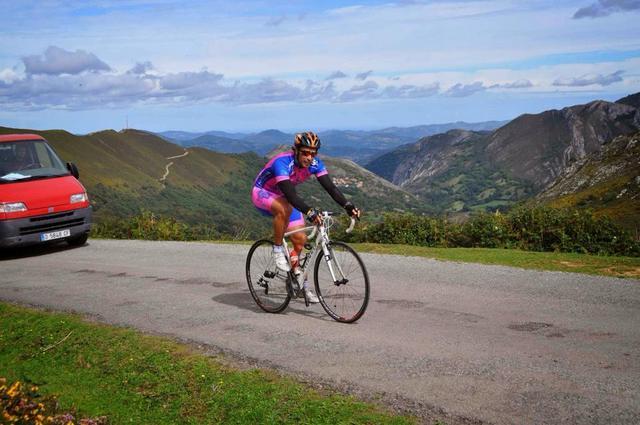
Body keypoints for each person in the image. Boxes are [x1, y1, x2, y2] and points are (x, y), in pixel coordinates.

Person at [251, 131, 361, 303]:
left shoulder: (315, 164)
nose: (309, 157)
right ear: (296, 150)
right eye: (305, 153)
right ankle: (278, 248)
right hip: (263, 193)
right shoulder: (282, 162)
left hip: (285, 199)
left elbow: (331, 188)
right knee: (284, 208)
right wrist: (309, 212)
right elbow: (291, 195)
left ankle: (299, 282)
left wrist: (348, 206)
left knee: (300, 239)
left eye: (313, 153)